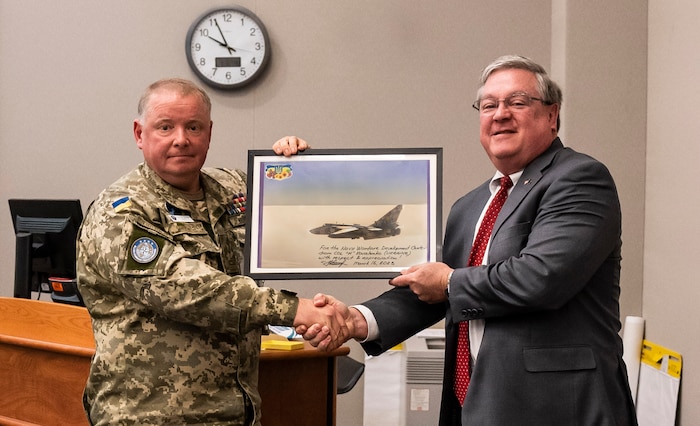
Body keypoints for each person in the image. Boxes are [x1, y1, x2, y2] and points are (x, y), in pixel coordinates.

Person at [300, 55, 637, 425]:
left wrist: (446, 281)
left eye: (518, 102)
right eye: (489, 105)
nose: (500, 114)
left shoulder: (580, 178)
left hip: (559, 407)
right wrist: (357, 320)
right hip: (477, 404)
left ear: (552, 116)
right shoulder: (470, 205)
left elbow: (540, 278)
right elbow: (435, 290)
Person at [76, 78, 349, 425]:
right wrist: (295, 310)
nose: (181, 139)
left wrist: (295, 165)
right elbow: (187, 289)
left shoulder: (234, 189)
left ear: (209, 132)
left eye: (194, 127)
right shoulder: (120, 211)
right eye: (165, 127)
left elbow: (311, 218)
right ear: (139, 134)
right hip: (151, 416)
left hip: (237, 413)